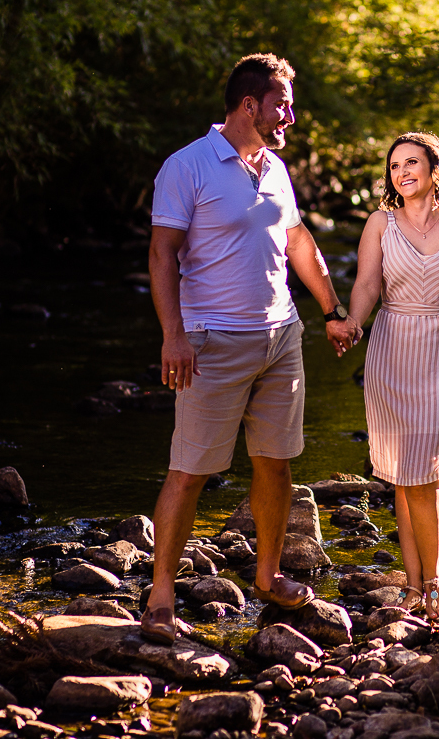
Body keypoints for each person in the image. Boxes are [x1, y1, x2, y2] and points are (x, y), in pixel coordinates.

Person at [141, 53, 362, 645]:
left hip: (280, 338)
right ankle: (161, 595)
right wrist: (174, 335)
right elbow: (162, 254)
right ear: (249, 105)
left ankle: (267, 573)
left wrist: (332, 311)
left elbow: (296, 241)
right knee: (189, 472)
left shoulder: (274, 167)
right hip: (210, 342)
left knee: (277, 463)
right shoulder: (187, 166)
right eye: (282, 103)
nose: (290, 113)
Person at [347, 132, 439, 622]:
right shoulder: (379, 223)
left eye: (412, 162)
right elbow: (367, 283)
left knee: (427, 473)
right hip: (392, 349)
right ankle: (414, 589)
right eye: (394, 166)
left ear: (436, 170)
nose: (402, 172)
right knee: (404, 475)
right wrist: (351, 323)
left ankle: (434, 583)